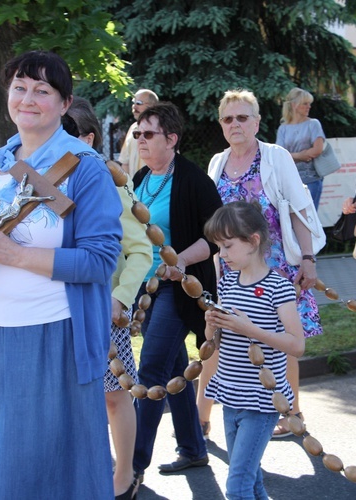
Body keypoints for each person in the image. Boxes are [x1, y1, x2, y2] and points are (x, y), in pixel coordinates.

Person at [0, 51, 122, 499]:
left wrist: (15, 255)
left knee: (48, 468)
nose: (28, 98)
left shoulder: (85, 169)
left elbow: (101, 260)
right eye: (20, 87)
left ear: (64, 103)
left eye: (43, 90)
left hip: (55, 337)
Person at [205, 89, 322, 439]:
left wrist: (309, 259)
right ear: (221, 125)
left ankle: (293, 413)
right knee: (230, 340)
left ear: (256, 121)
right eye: (228, 118)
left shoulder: (275, 157)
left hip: (277, 269)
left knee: (284, 343)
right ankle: (219, 412)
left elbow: (299, 209)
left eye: (243, 117)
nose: (235, 124)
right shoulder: (217, 162)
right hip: (232, 274)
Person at [65, 96, 152, 499]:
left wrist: (120, 299)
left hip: (102, 310)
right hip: (60, 309)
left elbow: (141, 251)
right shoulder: (44, 181)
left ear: (87, 138)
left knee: (114, 398)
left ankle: (123, 478)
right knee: (75, 401)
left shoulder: (108, 182)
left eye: (65, 138)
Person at [131, 102, 223, 478]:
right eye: (137, 134)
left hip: (178, 289)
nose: (140, 140)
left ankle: (130, 466)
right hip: (145, 286)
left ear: (171, 138)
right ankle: (193, 448)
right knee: (172, 367)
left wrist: (180, 261)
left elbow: (214, 237)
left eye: (148, 134)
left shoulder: (194, 180)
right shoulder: (139, 178)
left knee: (151, 368)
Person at [203, 201, 305, 500]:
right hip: (231, 395)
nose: (221, 255)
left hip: (261, 401)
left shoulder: (278, 287)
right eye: (219, 247)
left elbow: (297, 345)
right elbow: (214, 341)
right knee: (252, 479)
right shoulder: (227, 282)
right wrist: (211, 324)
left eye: (227, 246)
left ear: (254, 241)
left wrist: (250, 329)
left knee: (237, 486)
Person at [276, 87, 326, 209]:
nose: (309, 106)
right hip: (289, 180)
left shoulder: (313, 124)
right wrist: (301, 155)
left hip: (311, 179)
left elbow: (317, 150)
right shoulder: (283, 128)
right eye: (305, 103)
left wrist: (292, 156)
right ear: (294, 105)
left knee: (310, 219)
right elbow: (279, 155)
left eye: (309, 103)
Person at [118, 89, 159, 177]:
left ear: (152, 106)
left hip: (155, 187)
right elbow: (125, 162)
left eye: (139, 103)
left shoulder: (162, 130)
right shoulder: (133, 128)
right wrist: (128, 187)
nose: (134, 107)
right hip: (135, 189)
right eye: (134, 103)